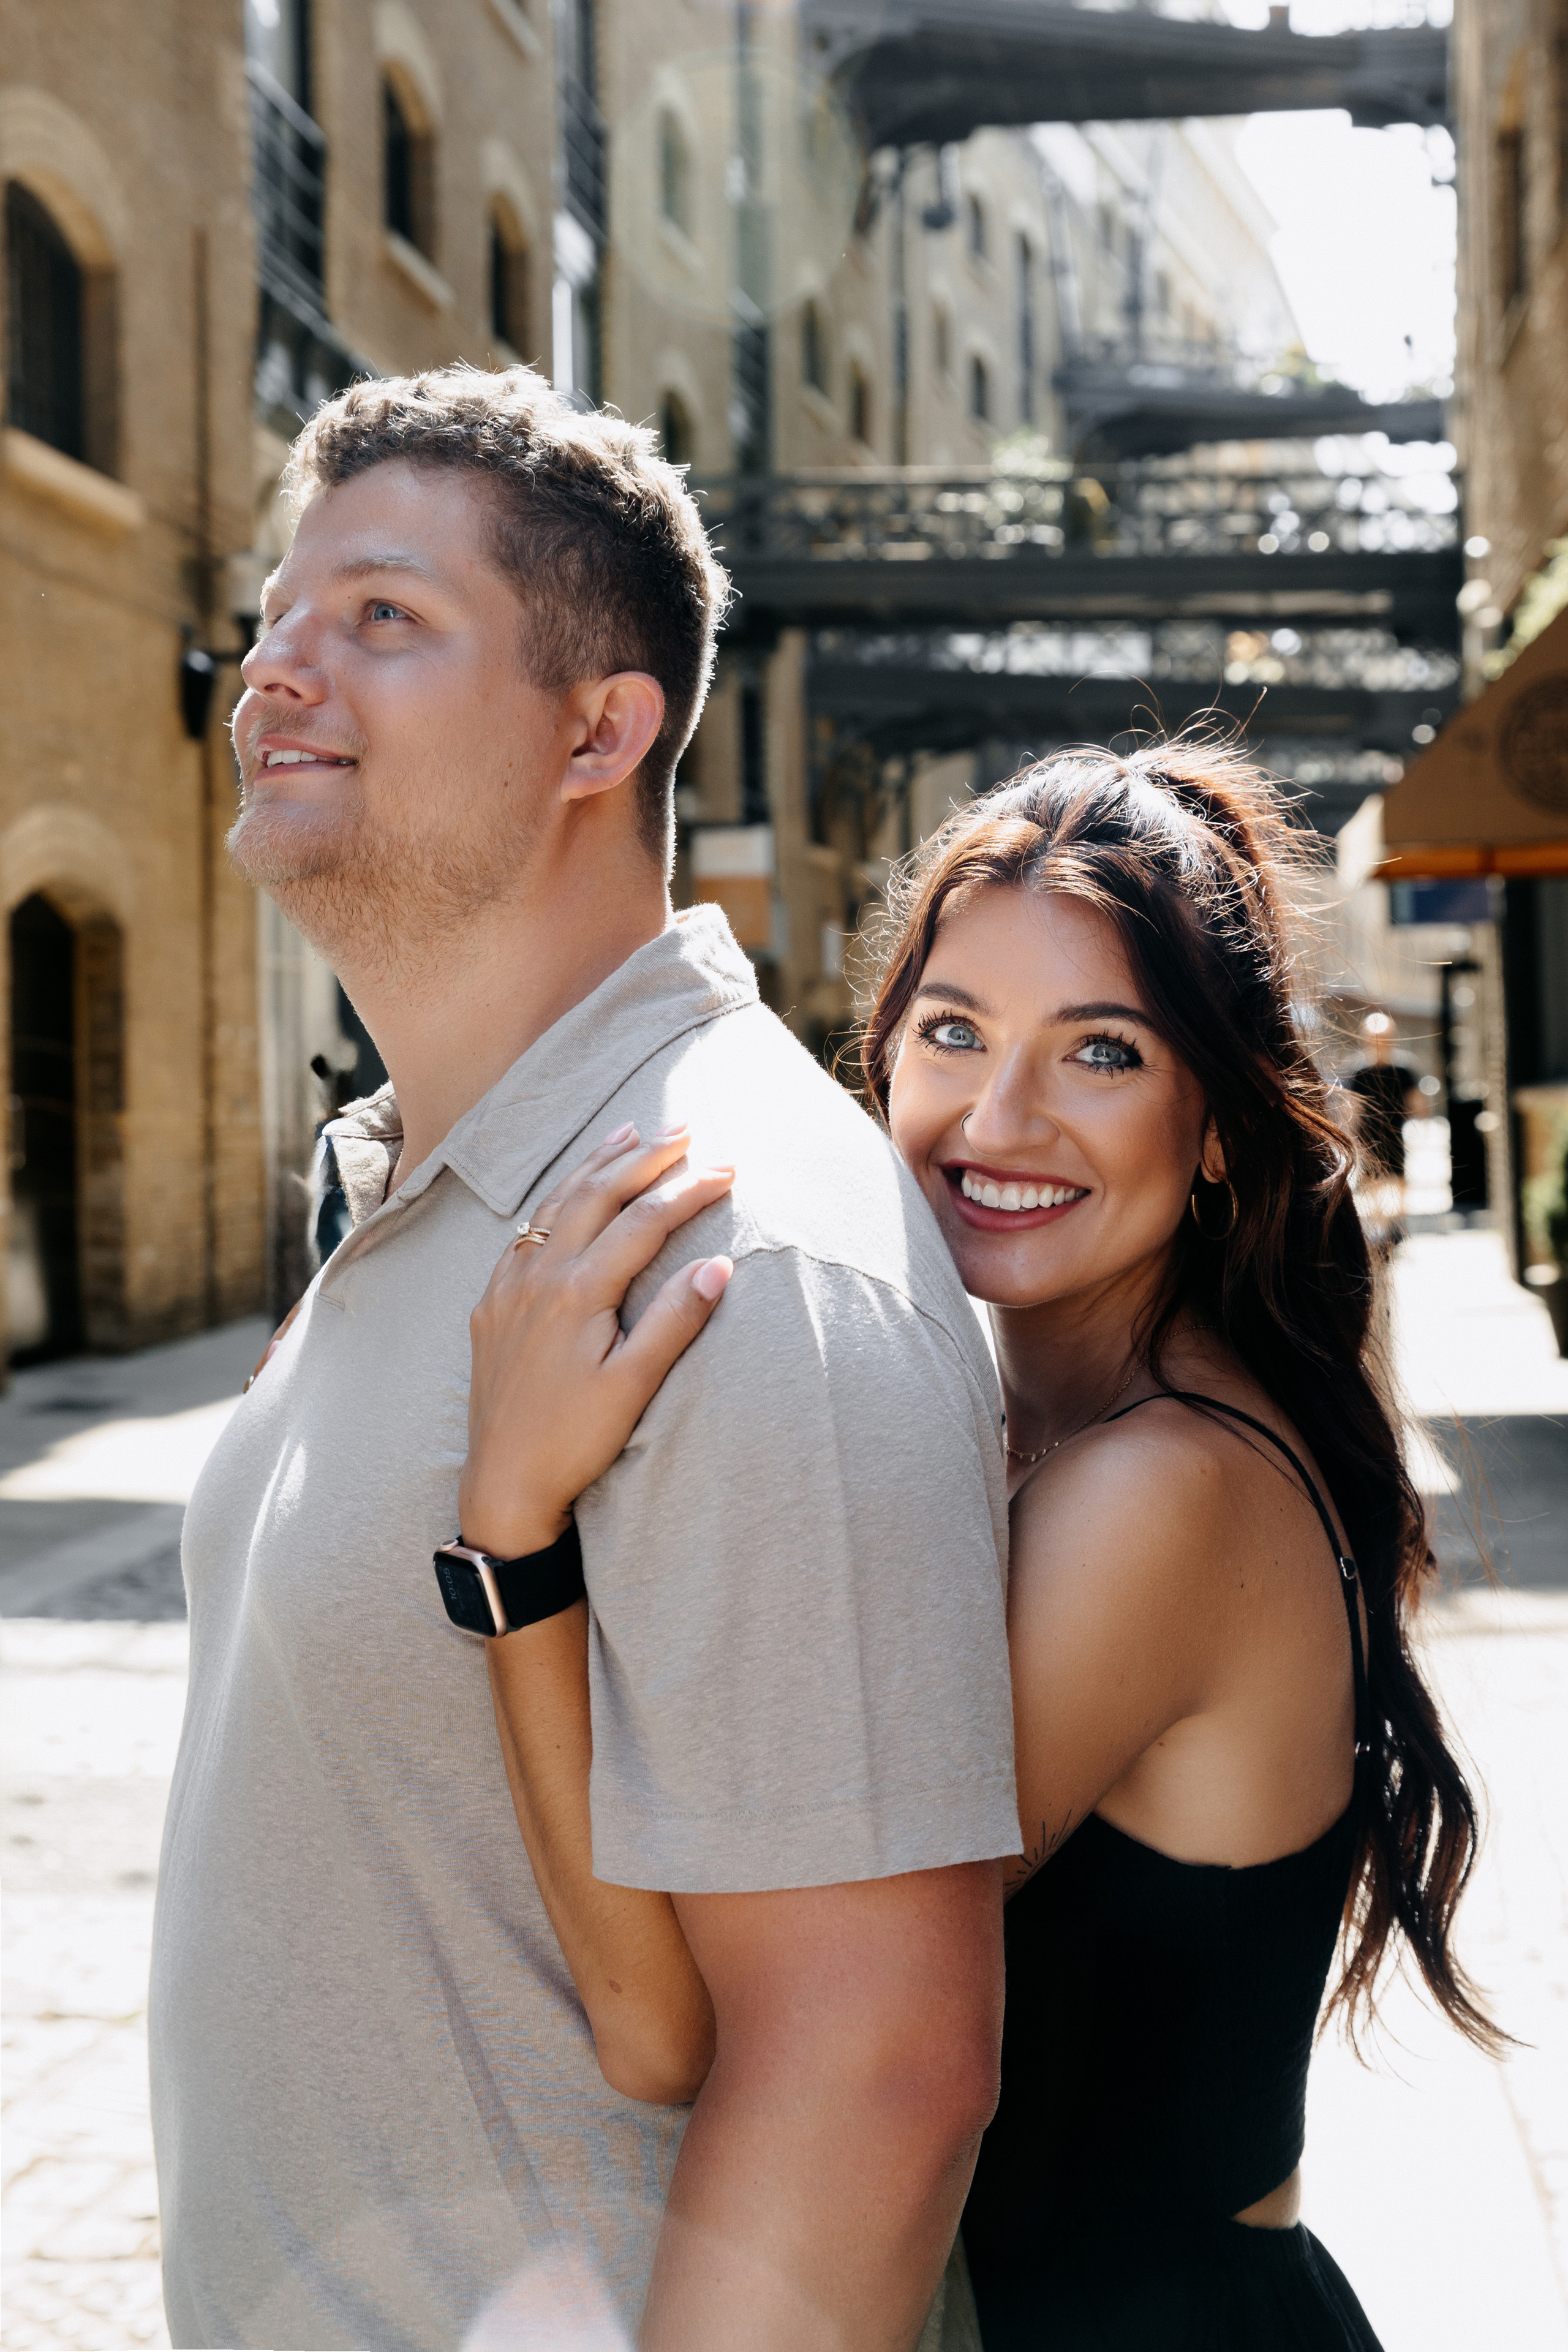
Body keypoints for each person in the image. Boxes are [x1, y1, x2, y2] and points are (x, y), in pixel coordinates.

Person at [148, 365, 1019, 2352]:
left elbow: (875, 2072)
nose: (277, 669)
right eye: (279, 615)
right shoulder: (418, 1182)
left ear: (600, 730)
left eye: (381, 616)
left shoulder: (735, 1244)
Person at [469, 746, 1502, 2350]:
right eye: (953, 1033)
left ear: (1219, 1123)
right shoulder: (1046, 1435)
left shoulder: (1158, 1493)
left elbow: (670, 2019)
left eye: (1100, 1051)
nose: (996, 1117)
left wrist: (514, 1542)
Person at [1346, 1010, 1427, 1243]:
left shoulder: (1404, 1071)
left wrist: (1422, 1129)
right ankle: (1379, 1228)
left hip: (1394, 1135)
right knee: (1370, 1184)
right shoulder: (1358, 1073)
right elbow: (1352, 1110)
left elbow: (1417, 1104)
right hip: (1367, 1138)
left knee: (1398, 1180)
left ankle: (1396, 1228)